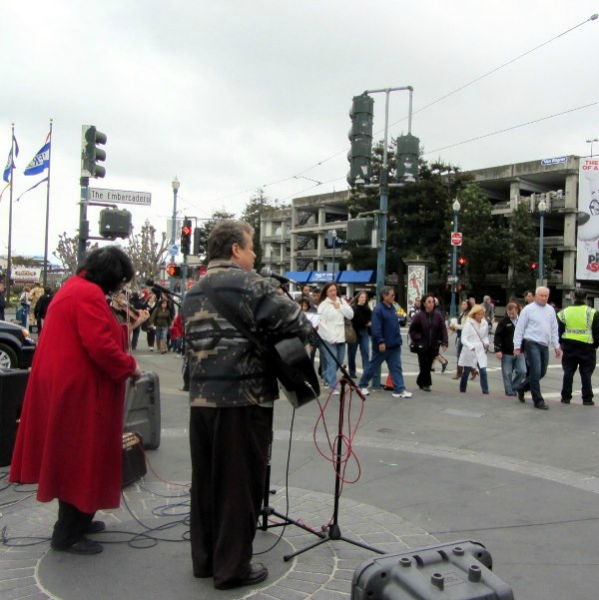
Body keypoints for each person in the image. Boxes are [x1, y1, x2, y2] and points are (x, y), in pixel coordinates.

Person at [182, 220, 310, 591]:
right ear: (236, 249)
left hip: (201, 402)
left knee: (205, 482)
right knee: (239, 485)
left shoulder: (192, 292)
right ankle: (232, 567)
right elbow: (298, 323)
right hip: (244, 400)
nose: (255, 254)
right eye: (252, 246)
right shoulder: (252, 284)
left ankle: (205, 560)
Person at [9, 246, 142, 555]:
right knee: (79, 458)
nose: (120, 288)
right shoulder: (87, 295)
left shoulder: (75, 288)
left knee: (73, 457)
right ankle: (68, 532)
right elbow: (101, 346)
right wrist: (129, 367)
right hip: (79, 390)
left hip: (68, 385)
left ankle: (80, 518)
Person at [513, 286, 562, 410]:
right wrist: (517, 346)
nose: (544, 298)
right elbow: (519, 329)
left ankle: (522, 387)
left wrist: (557, 346)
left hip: (544, 344)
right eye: (541, 295)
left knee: (542, 372)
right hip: (531, 342)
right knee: (535, 371)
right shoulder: (528, 310)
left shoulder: (551, 310)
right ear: (535, 296)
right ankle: (538, 400)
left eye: (546, 296)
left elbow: (554, 329)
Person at [358, 287, 412, 398]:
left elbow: (394, 325)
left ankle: (399, 389)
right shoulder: (379, 310)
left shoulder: (392, 308)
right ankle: (362, 385)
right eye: (391, 295)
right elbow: (376, 328)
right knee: (373, 366)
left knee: (396, 367)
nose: (393, 297)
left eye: (394, 295)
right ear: (385, 296)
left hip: (394, 344)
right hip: (383, 345)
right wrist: (380, 341)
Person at [557, 289, 599, 406]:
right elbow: (597, 332)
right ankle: (587, 398)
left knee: (568, 372)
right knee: (586, 373)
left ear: (573, 297)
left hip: (569, 346)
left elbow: (559, 330)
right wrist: (595, 345)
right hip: (587, 347)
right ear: (586, 298)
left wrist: (561, 343)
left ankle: (565, 397)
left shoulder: (564, 312)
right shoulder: (592, 312)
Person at [317, 281, 353, 393]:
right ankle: (333, 386)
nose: (333, 292)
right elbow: (321, 323)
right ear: (326, 293)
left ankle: (326, 375)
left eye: (334, 290)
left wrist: (341, 307)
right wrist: (331, 338)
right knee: (332, 361)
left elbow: (350, 315)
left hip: (341, 336)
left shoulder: (341, 301)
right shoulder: (323, 305)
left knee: (339, 360)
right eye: (330, 291)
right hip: (328, 338)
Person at [408, 294, 449, 392]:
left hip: (433, 345)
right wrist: (419, 337)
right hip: (422, 345)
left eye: (433, 302)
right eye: (429, 302)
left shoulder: (438, 315)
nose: (431, 304)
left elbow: (443, 329)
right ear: (424, 304)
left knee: (428, 364)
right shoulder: (419, 316)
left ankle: (420, 381)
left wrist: (445, 342)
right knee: (424, 364)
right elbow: (412, 330)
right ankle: (426, 384)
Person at [494, 302, 526, 396]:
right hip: (507, 352)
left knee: (522, 371)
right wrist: (498, 350)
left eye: (513, 313)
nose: (511, 315)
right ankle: (509, 391)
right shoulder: (503, 322)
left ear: (517, 311)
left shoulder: (522, 321)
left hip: (520, 351)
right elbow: (497, 336)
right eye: (509, 313)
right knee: (507, 373)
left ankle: (513, 386)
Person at [458, 305, 490, 394]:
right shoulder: (468, 324)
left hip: (480, 350)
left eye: (481, 314)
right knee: (467, 371)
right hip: (470, 350)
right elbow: (463, 338)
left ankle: (485, 391)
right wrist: (470, 346)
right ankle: (462, 389)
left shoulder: (484, 323)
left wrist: (486, 343)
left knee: (483, 371)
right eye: (478, 314)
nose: (480, 316)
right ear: (474, 314)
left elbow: (485, 336)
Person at [347, 290, 371, 379]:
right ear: (358, 298)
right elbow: (353, 320)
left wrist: (369, 323)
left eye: (365, 297)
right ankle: (352, 372)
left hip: (364, 331)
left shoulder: (367, 309)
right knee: (352, 353)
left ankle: (366, 371)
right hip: (354, 331)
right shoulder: (353, 308)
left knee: (365, 351)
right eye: (362, 297)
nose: (363, 299)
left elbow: (369, 319)